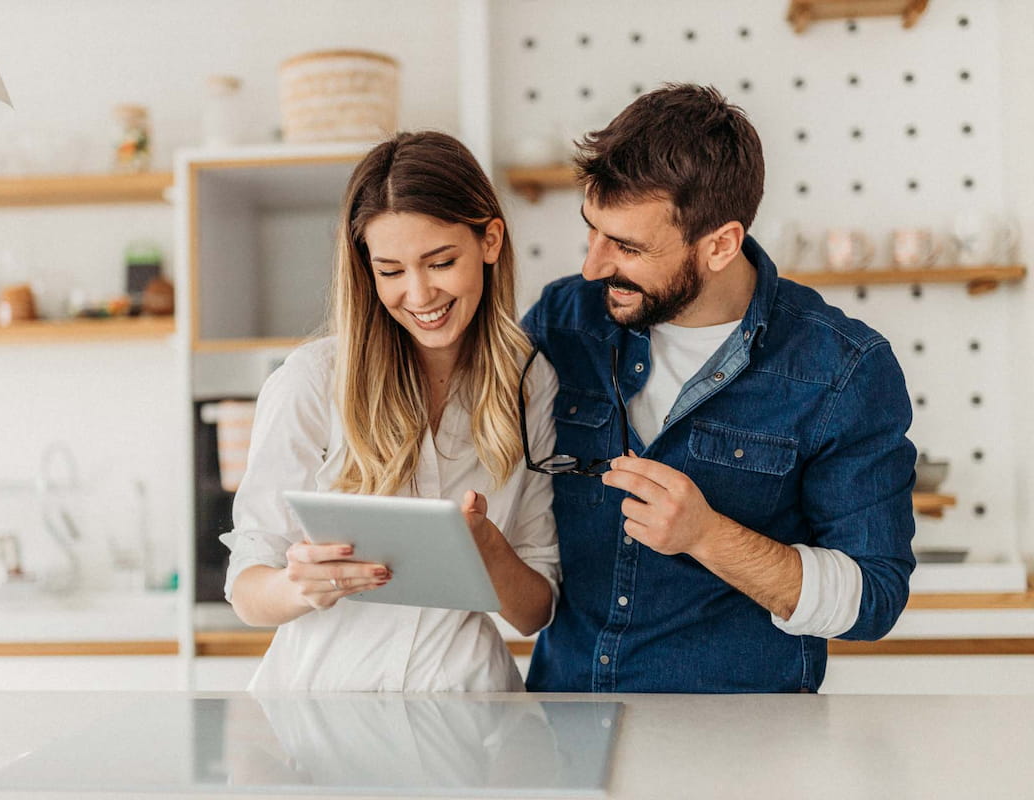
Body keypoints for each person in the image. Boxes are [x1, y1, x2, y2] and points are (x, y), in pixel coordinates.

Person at [521, 84, 916, 693]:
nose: (594, 266)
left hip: (740, 748)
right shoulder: (564, 318)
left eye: (626, 246)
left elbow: (873, 599)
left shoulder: (843, 368)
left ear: (721, 244)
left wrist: (706, 535)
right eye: (593, 231)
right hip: (563, 722)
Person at [221, 131, 560, 692]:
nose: (420, 294)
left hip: (470, 720)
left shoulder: (530, 382)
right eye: (391, 271)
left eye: (441, 261)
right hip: (321, 719)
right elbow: (247, 589)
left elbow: (534, 613)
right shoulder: (312, 380)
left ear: (491, 240)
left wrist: (486, 548)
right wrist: (298, 586)